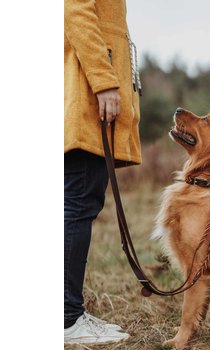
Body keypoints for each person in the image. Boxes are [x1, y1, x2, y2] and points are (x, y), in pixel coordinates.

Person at [64, 0, 141, 345]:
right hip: (87, 95)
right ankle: (66, 318)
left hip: (84, 92)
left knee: (78, 199)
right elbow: (74, 10)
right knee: (78, 201)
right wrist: (104, 80)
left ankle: (68, 311)